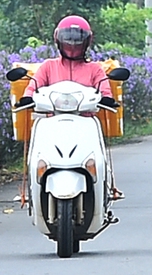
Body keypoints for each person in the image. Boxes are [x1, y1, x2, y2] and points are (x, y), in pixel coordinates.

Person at [22, 16, 123, 200]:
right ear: (58, 39)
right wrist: (27, 98)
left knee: (97, 158)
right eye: (68, 39)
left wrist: (107, 99)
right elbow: (33, 86)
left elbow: (104, 89)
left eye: (77, 40)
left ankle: (106, 187)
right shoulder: (47, 67)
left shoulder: (95, 69)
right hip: (52, 123)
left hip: (85, 123)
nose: (72, 44)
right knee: (37, 157)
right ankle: (32, 191)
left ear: (87, 41)